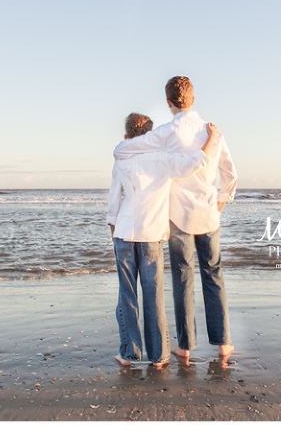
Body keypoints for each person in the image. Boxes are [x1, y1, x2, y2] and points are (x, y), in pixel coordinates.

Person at [113, 76, 238, 358]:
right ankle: (223, 343)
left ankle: (185, 346)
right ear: (193, 99)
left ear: (168, 102)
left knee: (183, 277)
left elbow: (123, 150)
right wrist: (220, 202)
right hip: (208, 212)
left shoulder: (166, 132)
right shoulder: (212, 131)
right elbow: (231, 174)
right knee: (213, 273)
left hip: (177, 214)